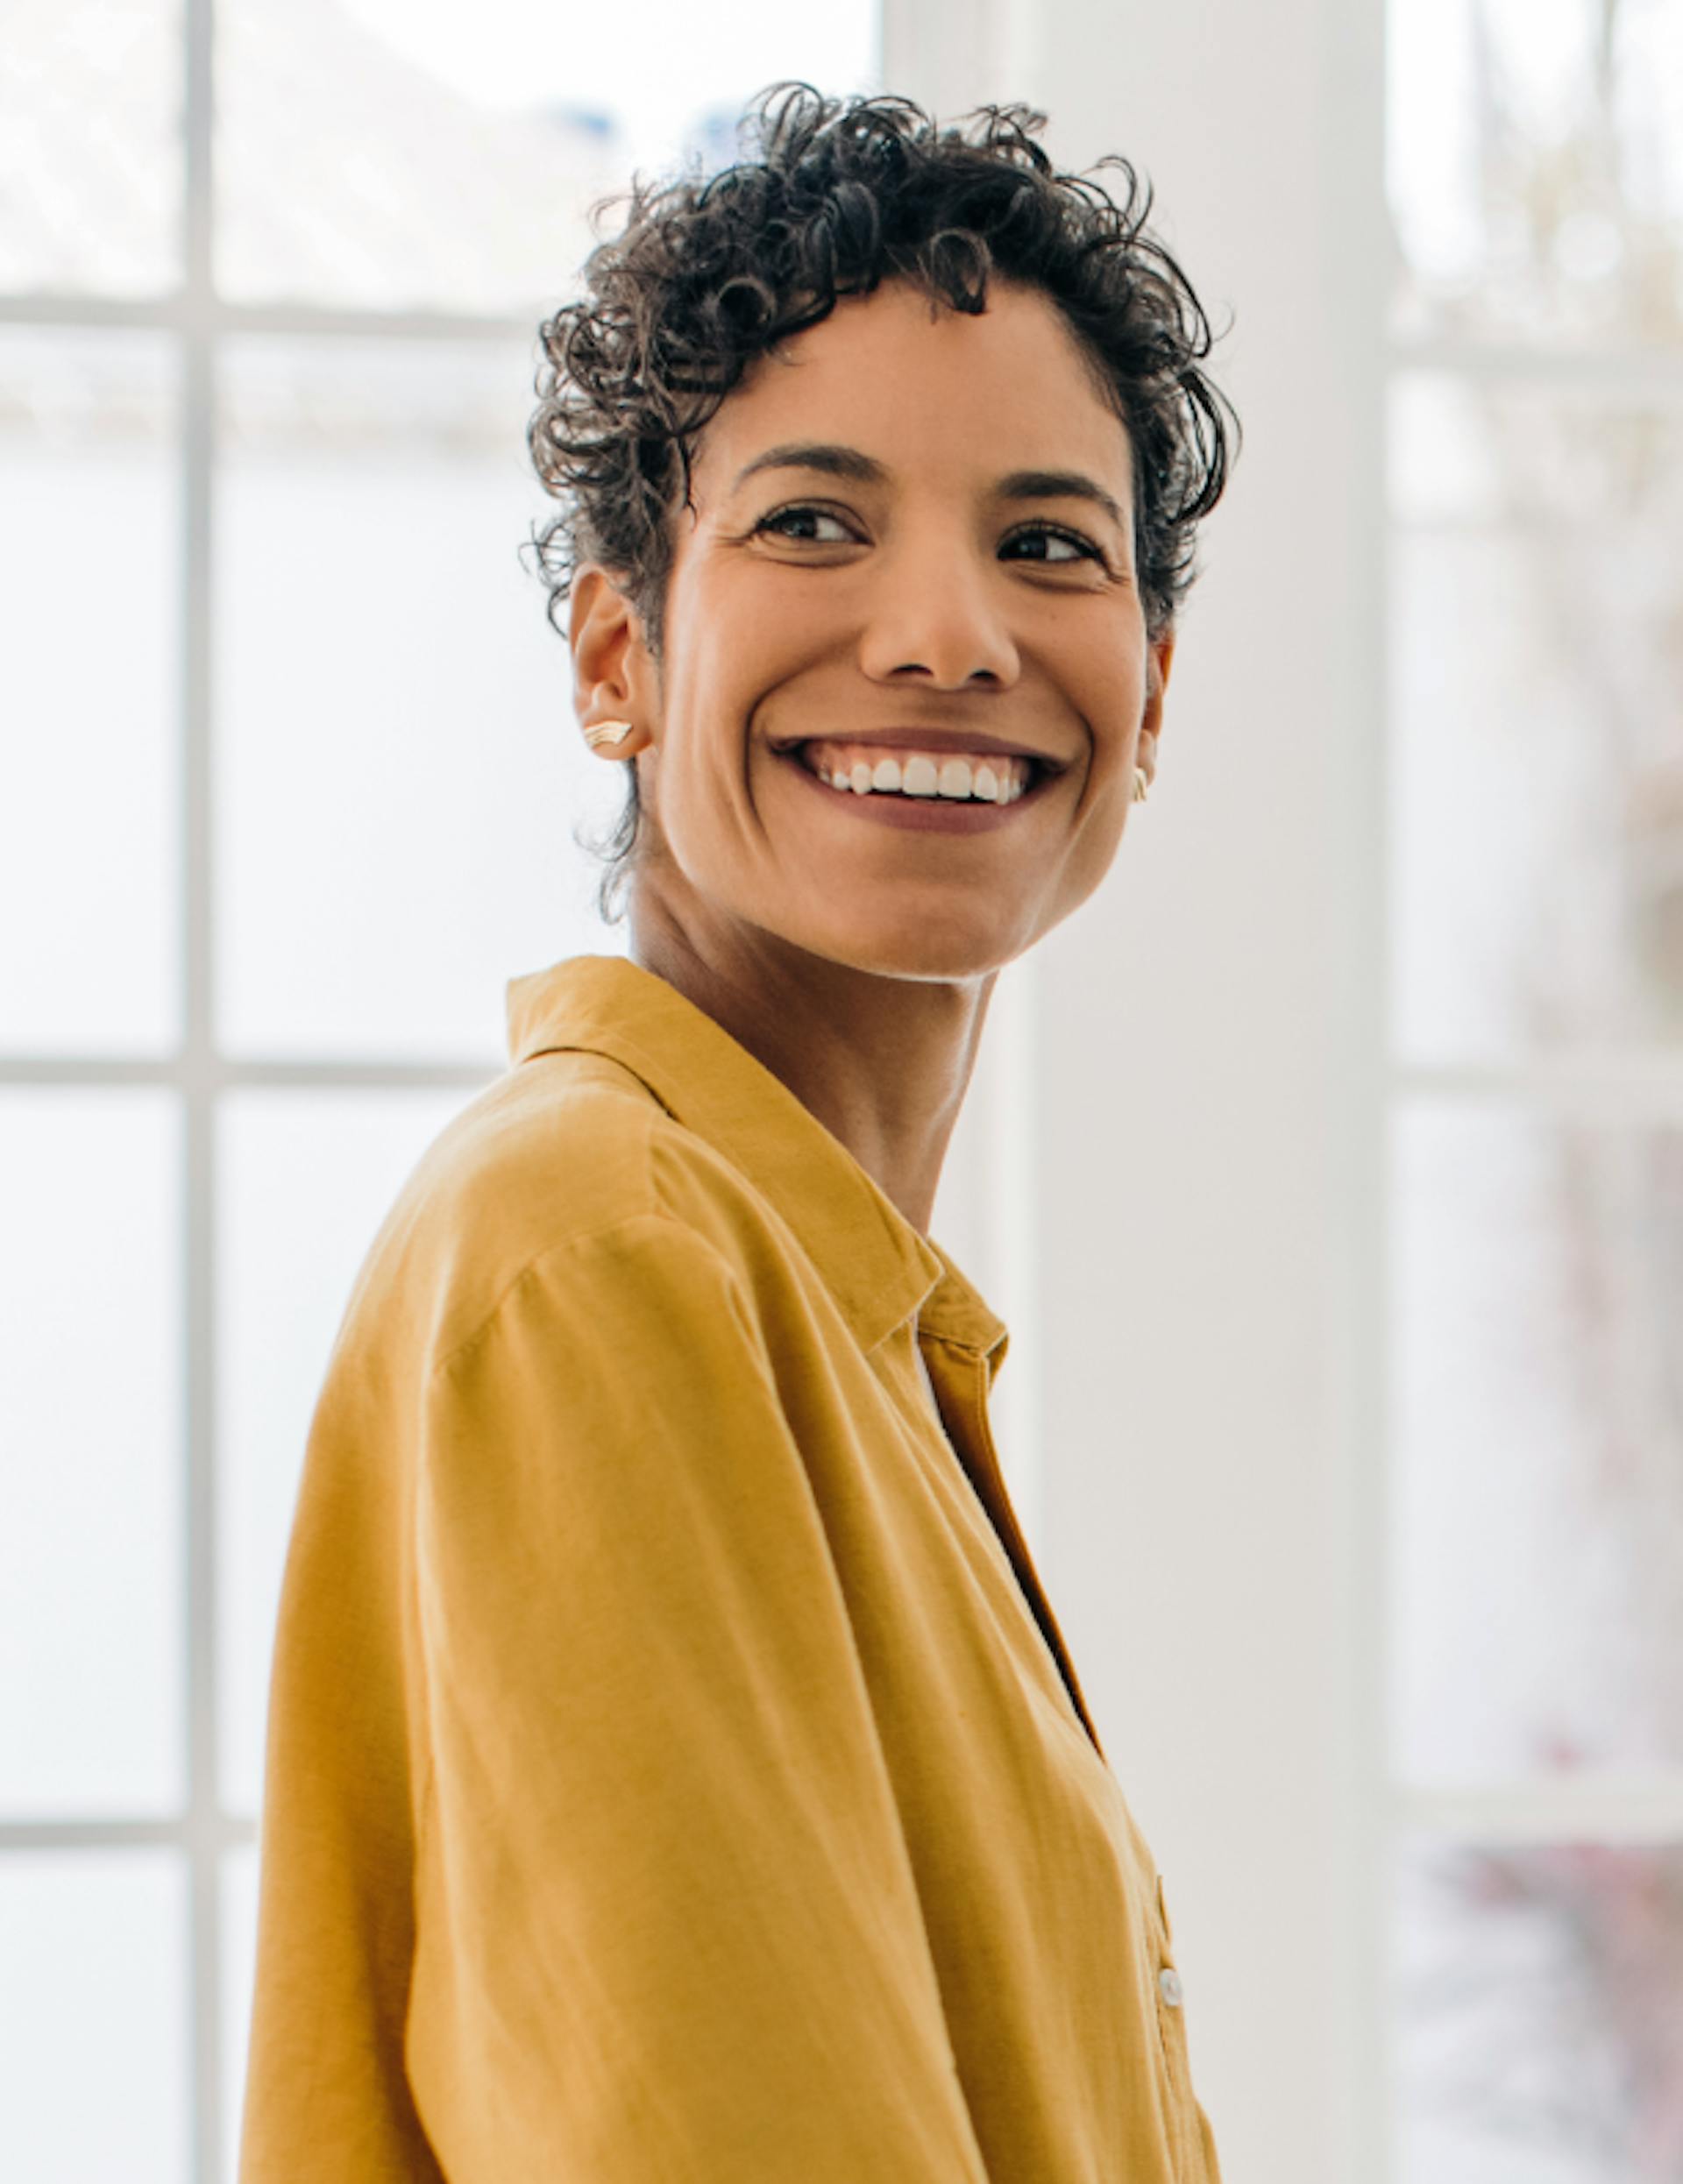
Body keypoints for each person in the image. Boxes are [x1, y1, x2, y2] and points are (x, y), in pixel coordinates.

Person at [238, 82, 1238, 2182]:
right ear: (619, 651)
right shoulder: (604, 1249)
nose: (949, 633)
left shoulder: (837, 1311)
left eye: (1047, 543)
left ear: (1146, 681)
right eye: (812, 521)